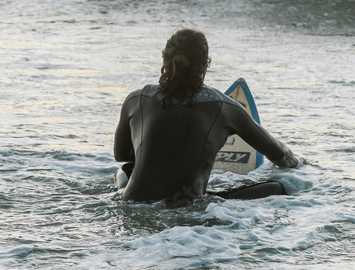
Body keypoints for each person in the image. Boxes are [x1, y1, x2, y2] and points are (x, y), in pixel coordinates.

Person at [114, 28, 302, 202]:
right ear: (204, 66)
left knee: (125, 169)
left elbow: (121, 155)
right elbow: (282, 157)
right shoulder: (225, 107)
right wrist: (301, 164)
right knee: (279, 186)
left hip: (132, 201)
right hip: (189, 207)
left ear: (164, 63)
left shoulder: (136, 99)